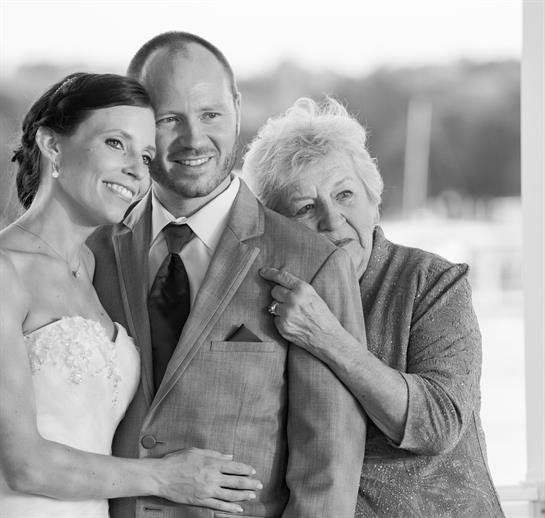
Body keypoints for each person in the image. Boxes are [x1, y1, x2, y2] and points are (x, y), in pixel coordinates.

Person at [88, 32, 366, 518]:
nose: (194, 139)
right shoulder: (94, 249)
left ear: (237, 107)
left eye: (210, 114)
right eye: (168, 118)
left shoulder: (313, 261)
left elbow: (329, 466)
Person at [0, 72, 261, 518]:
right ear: (51, 145)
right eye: (116, 144)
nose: (136, 171)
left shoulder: (94, 265)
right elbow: (23, 465)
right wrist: (164, 477)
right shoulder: (6, 270)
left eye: (144, 155)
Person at [243, 97, 505, 517]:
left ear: (373, 199)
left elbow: (437, 423)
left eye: (345, 194)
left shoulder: (431, 282)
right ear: (277, 226)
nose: (332, 220)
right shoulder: (265, 298)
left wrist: (327, 338)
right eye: (306, 207)